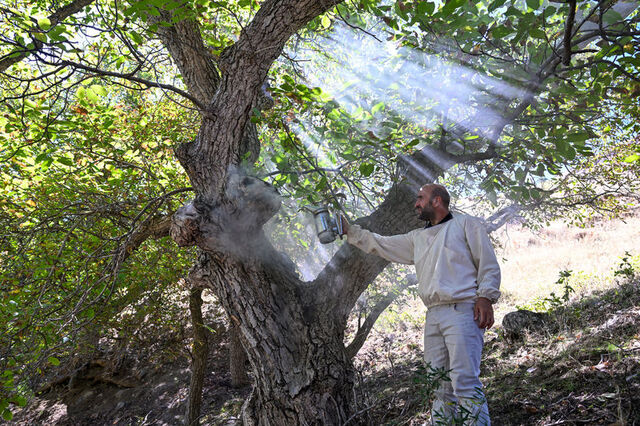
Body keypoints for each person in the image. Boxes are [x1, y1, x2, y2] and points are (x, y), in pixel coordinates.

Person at [342, 184, 500, 425]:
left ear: (437, 201)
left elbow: (487, 263)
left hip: (463, 310)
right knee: (438, 386)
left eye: (420, 198)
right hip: (433, 315)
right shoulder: (417, 238)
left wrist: (486, 297)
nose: (416, 204)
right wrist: (350, 231)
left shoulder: (466, 224)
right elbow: (380, 243)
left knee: (465, 381)